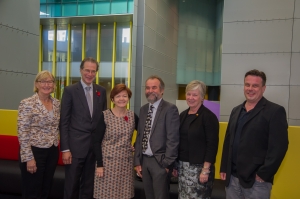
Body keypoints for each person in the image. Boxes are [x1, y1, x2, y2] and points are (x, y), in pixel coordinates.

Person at [220, 69, 289, 199]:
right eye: (247, 84)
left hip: (257, 181)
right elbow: (228, 140)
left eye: (255, 85)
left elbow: (279, 147)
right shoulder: (236, 110)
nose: (250, 88)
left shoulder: (275, 111)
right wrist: (224, 167)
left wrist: (264, 174)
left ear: (263, 88)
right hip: (232, 179)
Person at [60, 57, 107, 199]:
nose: (90, 74)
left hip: (94, 148)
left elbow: (103, 120)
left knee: (89, 187)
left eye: (93, 71)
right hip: (74, 149)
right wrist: (65, 149)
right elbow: (64, 122)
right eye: (87, 70)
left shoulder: (101, 91)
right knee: (71, 186)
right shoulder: (70, 91)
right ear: (81, 70)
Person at [134, 75, 180, 199]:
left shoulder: (170, 109)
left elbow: (173, 139)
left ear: (162, 90)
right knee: (148, 196)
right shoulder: (143, 110)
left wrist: (167, 164)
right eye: (147, 88)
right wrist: (137, 161)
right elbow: (139, 136)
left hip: (160, 162)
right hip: (144, 161)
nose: (150, 91)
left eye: (154, 87)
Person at [173, 80, 219, 199]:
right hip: (182, 169)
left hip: (200, 170)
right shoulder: (182, 115)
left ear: (202, 97)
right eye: (189, 94)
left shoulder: (209, 117)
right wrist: (175, 165)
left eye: (195, 94)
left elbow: (212, 145)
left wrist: (205, 170)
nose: (191, 97)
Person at [18, 70, 60, 199]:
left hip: (52, 151)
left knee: (46, 189)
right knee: (32, 191)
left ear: (54, 85)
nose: (47, 85)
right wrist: (29, 158)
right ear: (36, 84)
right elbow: (22, 132)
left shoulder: (57, 103)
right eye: (43, 81)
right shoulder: (27, 103)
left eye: (50, 81)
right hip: (34, 152)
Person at [93, 84, 138, 199]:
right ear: (112, 99)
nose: (121, 99)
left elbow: (144, 133)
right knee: (105, 195)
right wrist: (99, 165)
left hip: (125, 164)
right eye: (118, 96)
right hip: (107, 165)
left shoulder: (132, 116)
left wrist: (135, 145)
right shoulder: (105, 115)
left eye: (124, 96)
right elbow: (96, 141)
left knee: (124, 195)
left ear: (128, 98)